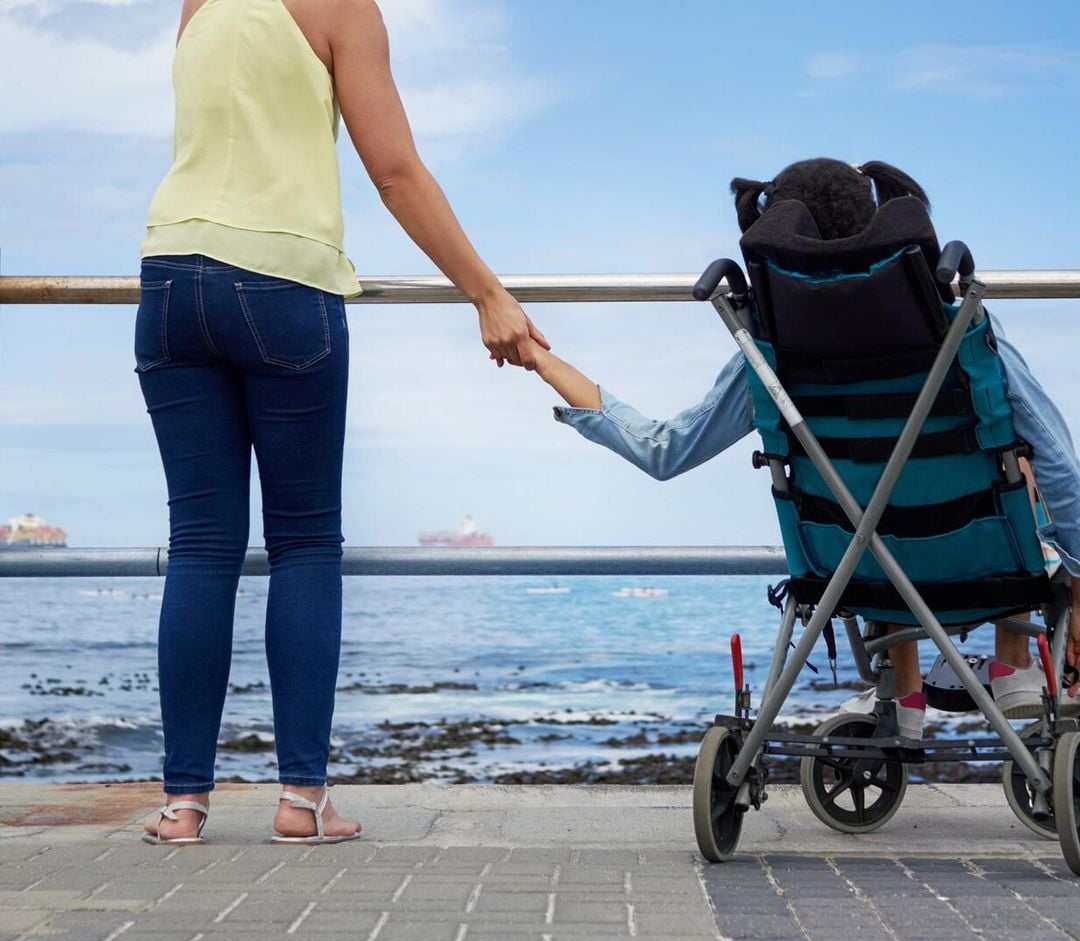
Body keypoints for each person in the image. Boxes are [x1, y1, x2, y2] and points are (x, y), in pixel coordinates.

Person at [137, 0, 548, 844]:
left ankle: (184, 804)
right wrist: (486, 291)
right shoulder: (341, 7)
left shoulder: (196, 5)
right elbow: (393, 170)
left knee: (202, 543)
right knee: (305, 541)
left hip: (170, 281)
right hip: (283, 281)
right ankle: (301, 799)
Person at [519, 158, 1080, 738]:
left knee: (864, 499)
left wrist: (541, 361)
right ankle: (1015, 668)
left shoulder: (769, 354)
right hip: (986, 558)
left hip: (853, 568)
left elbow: (665, 449)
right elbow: (1062, 466)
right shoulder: (964, 331)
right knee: (1014, 463)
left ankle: (902, 693)